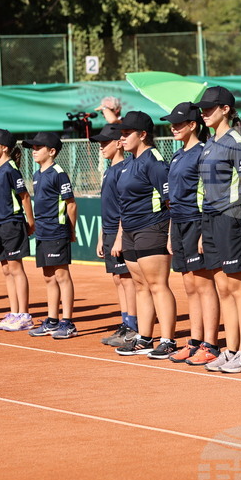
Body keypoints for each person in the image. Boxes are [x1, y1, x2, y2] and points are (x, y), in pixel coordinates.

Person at [196, 86, 241, 374]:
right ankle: (231, 348)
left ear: (225, 109)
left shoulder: (235, 141)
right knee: (222, 287)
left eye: (209, 108)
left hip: (233, 217)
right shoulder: (210, 142)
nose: (204, 113)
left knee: (238, 286)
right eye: (202, 109)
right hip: (210, 218)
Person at [111, 111, 178, 359]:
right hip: (130, 230)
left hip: (152, 227)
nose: (123, 137)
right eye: (122, 132)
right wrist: (120, 235)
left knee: (157, 285)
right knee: (140, 286)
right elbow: (123, 203)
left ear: (143, 134)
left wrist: (171, 233)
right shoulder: (128, 163)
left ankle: (168, 340)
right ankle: (144, 338)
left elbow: (171, 201)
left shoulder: (154, 160)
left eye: (128, 133)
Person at [161, 102, 220, 366]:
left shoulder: (202, 152)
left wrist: (203, 232)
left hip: (197, 223)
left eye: (179, 123)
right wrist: (171, 229)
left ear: (193, 125)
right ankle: (195, 342)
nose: (174, 127)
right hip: (179, 223)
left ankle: (211, 344)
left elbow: (208, 194)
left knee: (203, 285)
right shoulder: (176, 155)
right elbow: (172, 198)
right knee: (189, 285)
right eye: (172, 123)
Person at [23, 132, 79, 339]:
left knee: (62, 276)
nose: (34, 151)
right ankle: (52, 320)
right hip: (43, 231)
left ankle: (68, 322)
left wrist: (70, 230)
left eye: (38, 148)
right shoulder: (37, 174)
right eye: (33, 148)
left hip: (57, 230)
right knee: (48, 277)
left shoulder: (58, 173)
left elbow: (71, 204)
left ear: (52, 151)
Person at [0, 129, 36, 332]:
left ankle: (24, 315)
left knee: (15, 268)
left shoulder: (11, 169)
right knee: (5, 269)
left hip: (12, 223)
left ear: (4, 148)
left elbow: (25, 197)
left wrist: (31, 222)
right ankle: (14, 313)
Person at [92, 123, 138, 347]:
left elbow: (124, 207)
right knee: (118, 279)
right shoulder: (110, 169)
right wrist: (102, 236)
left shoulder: (126, 168)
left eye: (105, 143)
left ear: (119, 143)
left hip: (122, 232)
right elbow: (107, 206)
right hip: (109, 231)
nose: (101, 147)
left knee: (127, 279)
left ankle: (133, 327)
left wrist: (119, 236)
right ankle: (125, 323)